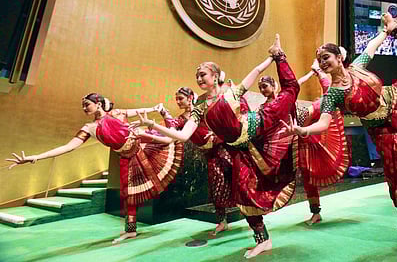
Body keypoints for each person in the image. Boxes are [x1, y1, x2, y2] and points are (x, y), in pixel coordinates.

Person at [281, 13, 397, 255]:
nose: (323, 62)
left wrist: (387, 31)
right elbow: (325, 122)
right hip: (386, 133)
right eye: (320, 60)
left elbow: (371, 46)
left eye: (326, 57)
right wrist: (302, 130)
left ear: (339, 57)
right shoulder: (334, 94)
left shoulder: (357, 66)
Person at [132, 34, 299, 259]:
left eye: (203, 75)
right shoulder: (199, 108)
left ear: (215, 76)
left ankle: (282, 57)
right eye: (197, 76)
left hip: (259, 124)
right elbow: (182, 136)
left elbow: (255, 72)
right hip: (239, 149)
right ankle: (263, 239)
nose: (199, 78)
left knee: (290, 92)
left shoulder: (231, 91)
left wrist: (273, 57)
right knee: (243, 193)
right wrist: (153, 125)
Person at [6, 93, 183, 244]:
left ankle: (173, 121)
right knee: (127, 195)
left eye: (87, 104)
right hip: (125, 157)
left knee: (168, 141)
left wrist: (157, 108)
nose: (84, 108)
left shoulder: (117, 113)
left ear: (98, 104)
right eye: (83, 106)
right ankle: (131, 230)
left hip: (141, 142)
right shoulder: (89, 128)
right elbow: (68, 147)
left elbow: (141, 111)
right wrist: (36, 157)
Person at [257, 61, 349, 226]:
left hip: (303, 127)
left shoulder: (284, 97)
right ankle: (315, 212)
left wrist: (317, 73)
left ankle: (315, 212)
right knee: (306, 179)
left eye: (265, 86)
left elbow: (299, 86)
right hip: (290, 143)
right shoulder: (264, 107)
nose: (263, 90)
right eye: (260, 87)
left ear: (274, 85)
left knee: (328, 99)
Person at [158, 87, 236, 236]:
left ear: (190, 98)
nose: (178, 102)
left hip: (223, 147)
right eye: (177, 99)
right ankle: (222, 222)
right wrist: (163, 113)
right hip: (209, 154)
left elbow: (219, 119)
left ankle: (252, 213)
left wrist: (216, 131)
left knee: (236, 178)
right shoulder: (182, 119)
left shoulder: (202, 110)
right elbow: (172, 129)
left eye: (181, 98)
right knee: (216, 186)